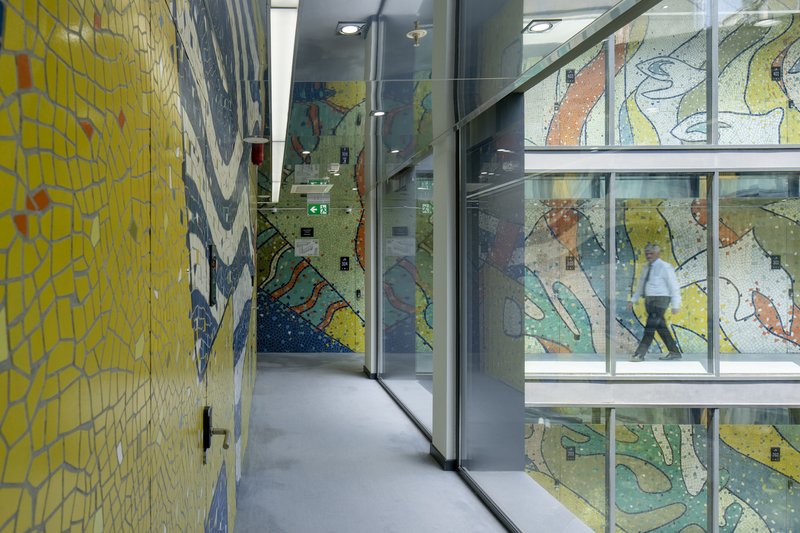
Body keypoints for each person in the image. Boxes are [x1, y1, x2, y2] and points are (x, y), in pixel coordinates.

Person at [627, 243, 682, 361]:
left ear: (657, 254)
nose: (648, 256)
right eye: (647, 253)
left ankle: (639, 354)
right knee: (661, 328)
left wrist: (675, 304)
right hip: (649, 301)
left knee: (650, 327)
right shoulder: (646, 268)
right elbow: (641, 286)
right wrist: (633, 300)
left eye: (651, 253)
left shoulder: (665, 267)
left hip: (661, 300)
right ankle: (674, 352)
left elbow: (674, 286)